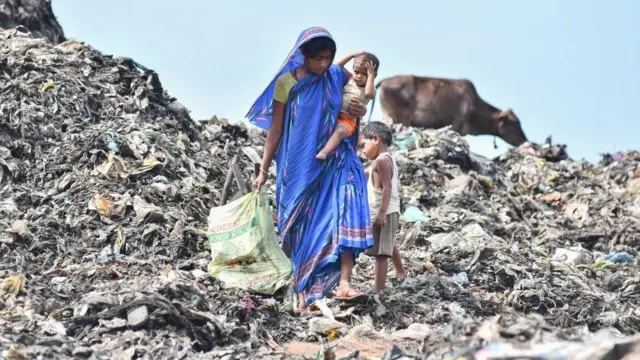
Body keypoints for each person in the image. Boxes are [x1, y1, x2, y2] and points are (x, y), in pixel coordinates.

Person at [246, 27, 374, 311]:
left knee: (334, 219)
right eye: (318, 58)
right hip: (297, 165)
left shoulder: (337, 77)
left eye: (329, 58)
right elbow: (276, 129)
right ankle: (302, 291)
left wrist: (359, 111)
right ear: (302, 54)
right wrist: (264, 169)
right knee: (299, 229)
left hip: (332, 162)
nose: (324, 64)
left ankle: (340, 285)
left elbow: (355, 105)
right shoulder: (286, 84)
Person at [360, 121, 405, 292]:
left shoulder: (381, 162)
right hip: (386, 211)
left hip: (385, 212)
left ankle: (379, 289)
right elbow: (367, 173)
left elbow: (387, 187)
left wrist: (381, 213)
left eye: (364, 145)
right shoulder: (382, 160)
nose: (363, 151)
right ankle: (400, 272)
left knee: (381, 254)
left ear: (376, 139)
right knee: (387, 244)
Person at [316, 51, 379, 160]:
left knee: (339, 131)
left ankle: (324, 152)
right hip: (334, 115)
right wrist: (351, 55)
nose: (359, 76)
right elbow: (337, 66)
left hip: (347, 121)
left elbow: (368, 94)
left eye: (364, 74)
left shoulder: (371, 89)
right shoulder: (351, 79)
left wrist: (371, 76)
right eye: (356, 72)